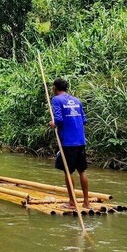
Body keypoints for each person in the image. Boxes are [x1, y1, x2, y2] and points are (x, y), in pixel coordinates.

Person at [49, 78, 90, 210]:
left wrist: (53, 124)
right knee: (82, 170)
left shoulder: (56, 100)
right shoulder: (77, 100)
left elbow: (59, 120)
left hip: (68, 141)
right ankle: (86, 202)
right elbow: (84, 120)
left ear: (55, 88)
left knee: (68, 171)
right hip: (80, 140)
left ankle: (72, 202)